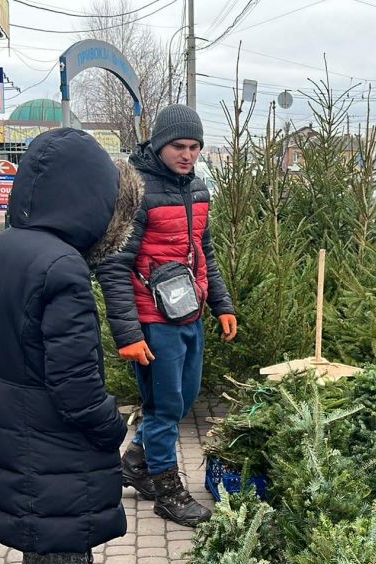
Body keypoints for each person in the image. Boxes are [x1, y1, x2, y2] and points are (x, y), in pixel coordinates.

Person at [0, 128, 143, 564]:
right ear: (88, 195)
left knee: (38, 549)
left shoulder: (4, 250)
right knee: (70, 557)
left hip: (13, 420)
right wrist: (110, 426)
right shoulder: (63, 267)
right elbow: (75, 383)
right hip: (58, 443)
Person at [96, 104, 236, 528]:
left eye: (195, 147)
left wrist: (222, 305)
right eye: (179, 146)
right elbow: (114, 264)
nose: (188, 154)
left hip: (189, 314)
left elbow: (204, 253)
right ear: (160, 144)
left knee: (184, 396)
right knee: (165, 406)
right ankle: (168, 491)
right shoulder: (137, 192)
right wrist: (128, 334)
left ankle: (136, 462)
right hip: (152, 321)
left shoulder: (197, 190)